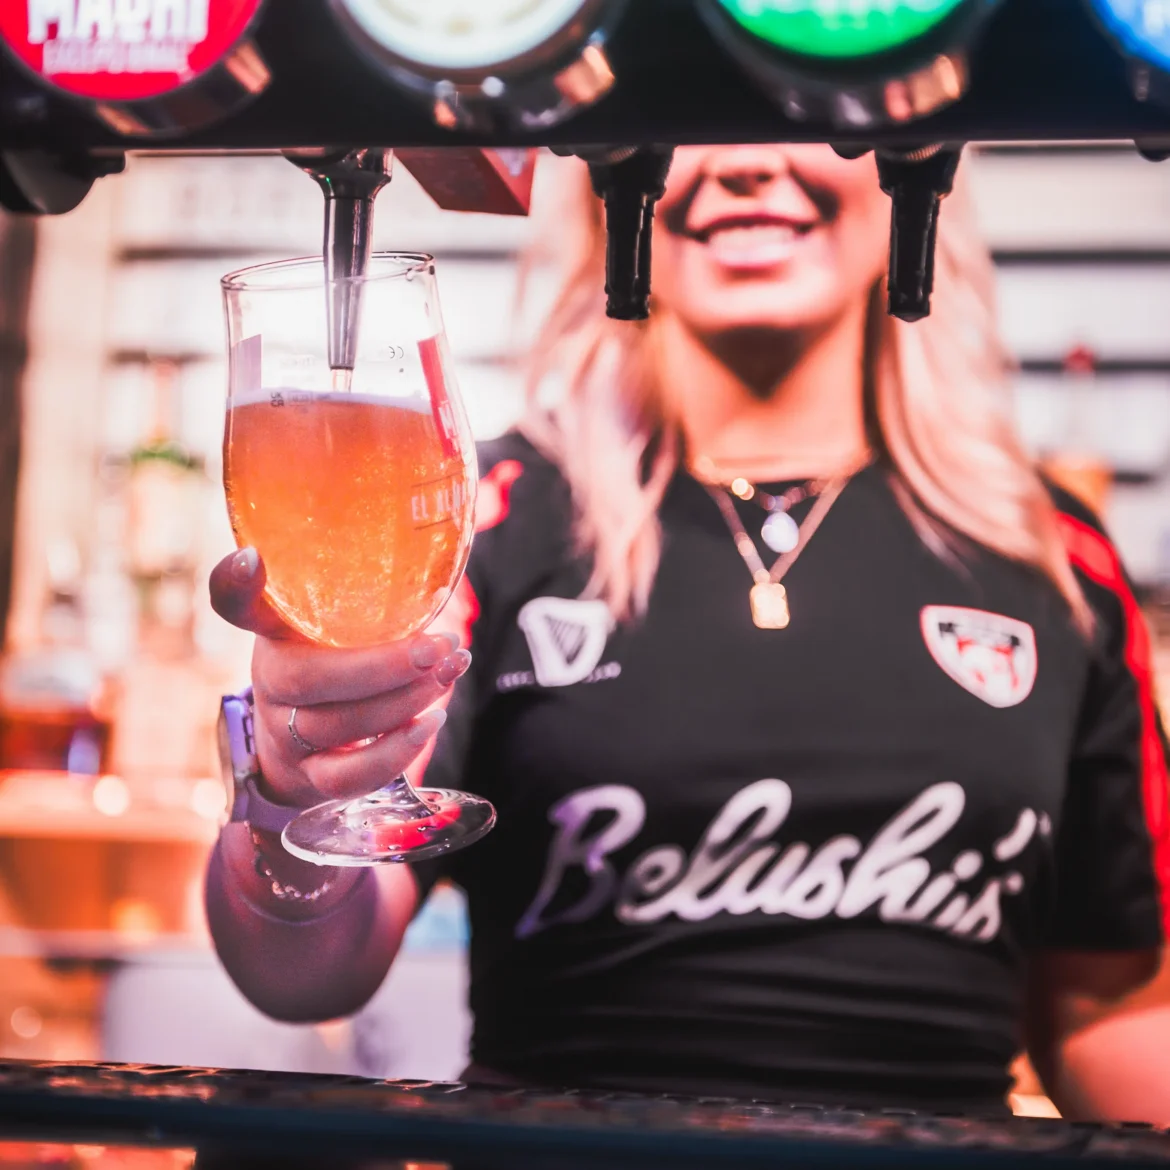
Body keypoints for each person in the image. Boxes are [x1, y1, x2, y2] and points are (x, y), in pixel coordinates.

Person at [205, 145, 1170, 1121]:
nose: (746, 160)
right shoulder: (476, 525)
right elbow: (307, 973)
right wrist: (291, 793)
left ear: (916, 166)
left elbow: (1109, 1011)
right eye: (691, 114)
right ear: (602, 182)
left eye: (798, 111)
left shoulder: (1056, 559)